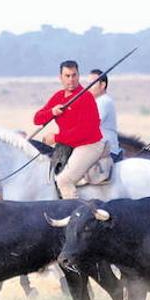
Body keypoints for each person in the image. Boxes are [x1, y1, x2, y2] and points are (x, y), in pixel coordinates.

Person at [32, 60, 105, 198]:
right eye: (67, 76)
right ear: (60, 77)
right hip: (68, 145)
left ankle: (73, 215)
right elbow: (37, 119)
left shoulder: (86, 97)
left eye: (74, 75)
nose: (71, 80)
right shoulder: (58, 96)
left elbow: (85, 131)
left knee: (64, 180)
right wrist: (52, 112)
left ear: (78, 75)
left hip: (89, 145)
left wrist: (56, 138)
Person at [88, 69, 122, 162]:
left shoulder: (104, 101)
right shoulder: (95, 102)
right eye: (88, 84)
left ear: (102, 85)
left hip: (107, 151)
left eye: (92, 84)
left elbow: (91, 124)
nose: (89, 87)